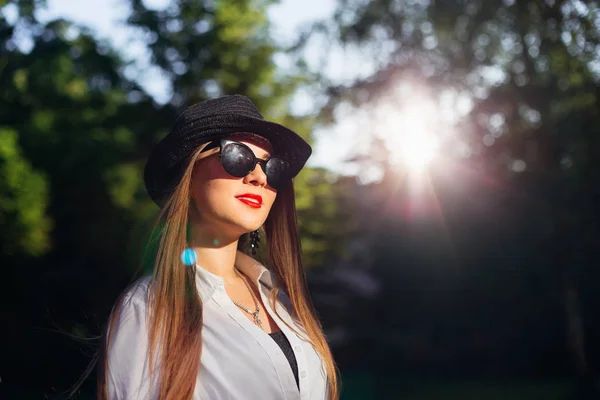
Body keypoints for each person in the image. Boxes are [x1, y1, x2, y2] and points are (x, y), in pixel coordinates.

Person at [98, 95, 339, 400]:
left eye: (273, 167)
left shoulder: (280, 300)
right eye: (238, 156)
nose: (259, 177)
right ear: (189, 174)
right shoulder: (147, 310)